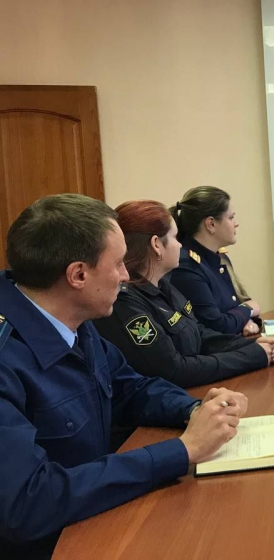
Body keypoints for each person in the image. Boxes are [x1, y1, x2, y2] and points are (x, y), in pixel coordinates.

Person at [0, 194, 247, 560]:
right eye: (117, 264)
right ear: (78, 275)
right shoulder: (7, 357)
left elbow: (130, 387)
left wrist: (195, 410)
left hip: (92, 522)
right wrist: (181, 451)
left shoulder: (74, 319)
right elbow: (28, 502)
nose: (126, 276)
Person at [93, 200, 274, 389]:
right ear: (156, 245)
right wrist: (253, 356)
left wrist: (251, 345)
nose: (180, 246)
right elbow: (174, 370)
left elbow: (199, 334)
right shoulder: (125, 302)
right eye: (175, 238)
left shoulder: (163, 284)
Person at [169, 186, 262, 336]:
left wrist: (246, 319)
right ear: (211, 224)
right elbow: (216, 325)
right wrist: (248, 310)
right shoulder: (187, 265)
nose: (236, 223)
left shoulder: (218, 257)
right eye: (231, 218)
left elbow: (235, 305)